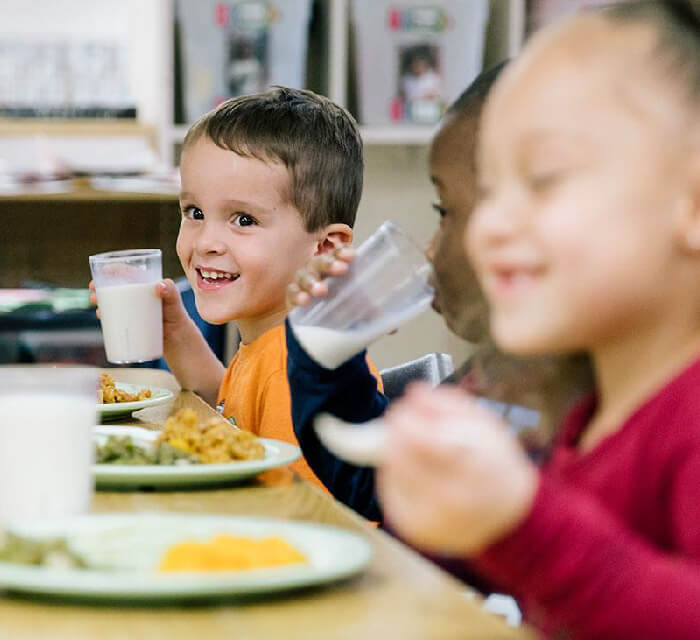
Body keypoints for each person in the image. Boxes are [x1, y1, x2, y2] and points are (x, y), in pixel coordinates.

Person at [377, 2, 700, 638]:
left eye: (544, 179)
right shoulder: (588, 413)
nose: (492, 224)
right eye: (491, 190)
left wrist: (523, 523)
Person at [285, 64, 589, 519]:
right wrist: (325, 360)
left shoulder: (588, 412)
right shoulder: (494, 375)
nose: (429, 247)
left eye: (445, 212)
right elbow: (377, 488)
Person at [92, 87, 382, 487]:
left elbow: (293, 504)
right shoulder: (269, 344)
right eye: (194, 213)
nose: (206, 241)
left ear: (325, 248)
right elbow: (225, 405)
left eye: (243, 220)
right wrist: (174, 330)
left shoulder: (294, 368)